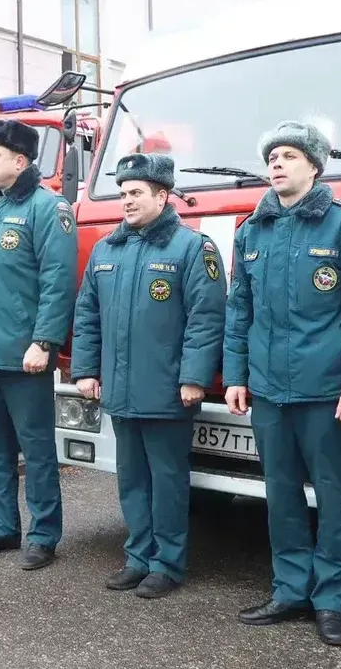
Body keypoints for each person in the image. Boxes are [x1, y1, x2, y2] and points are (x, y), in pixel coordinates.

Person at [222, 121, 341, 646]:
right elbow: (238, 311)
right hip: (269, 392)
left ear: (314, 166)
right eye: (271, 156)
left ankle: (332, 600)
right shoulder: (251, 231)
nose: (276, 164)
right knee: (281, 495)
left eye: (289, 155)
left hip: (327, 393)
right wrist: (236, 377)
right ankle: (290, 589)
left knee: (334, 499)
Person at [71, 152, 227, 598]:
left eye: (136, 193)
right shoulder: (106, 249)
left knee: (168, 482)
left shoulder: (192, 248)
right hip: (120, 390)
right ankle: (138, 556)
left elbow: (206, 317)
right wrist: (85, 369)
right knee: (132, 480)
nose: (127, 201)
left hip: (166, 391)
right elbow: (87, 315)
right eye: (123, 193)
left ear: (163, 196)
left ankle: (168, 564)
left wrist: (194, 377)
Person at [0, 118, 78, 570]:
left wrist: (44, 341)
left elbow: (58, 281)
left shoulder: (48, 208)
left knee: (37, 449)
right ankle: (2, 528)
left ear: (20, 161)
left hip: (24, 357)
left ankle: (44, 535)